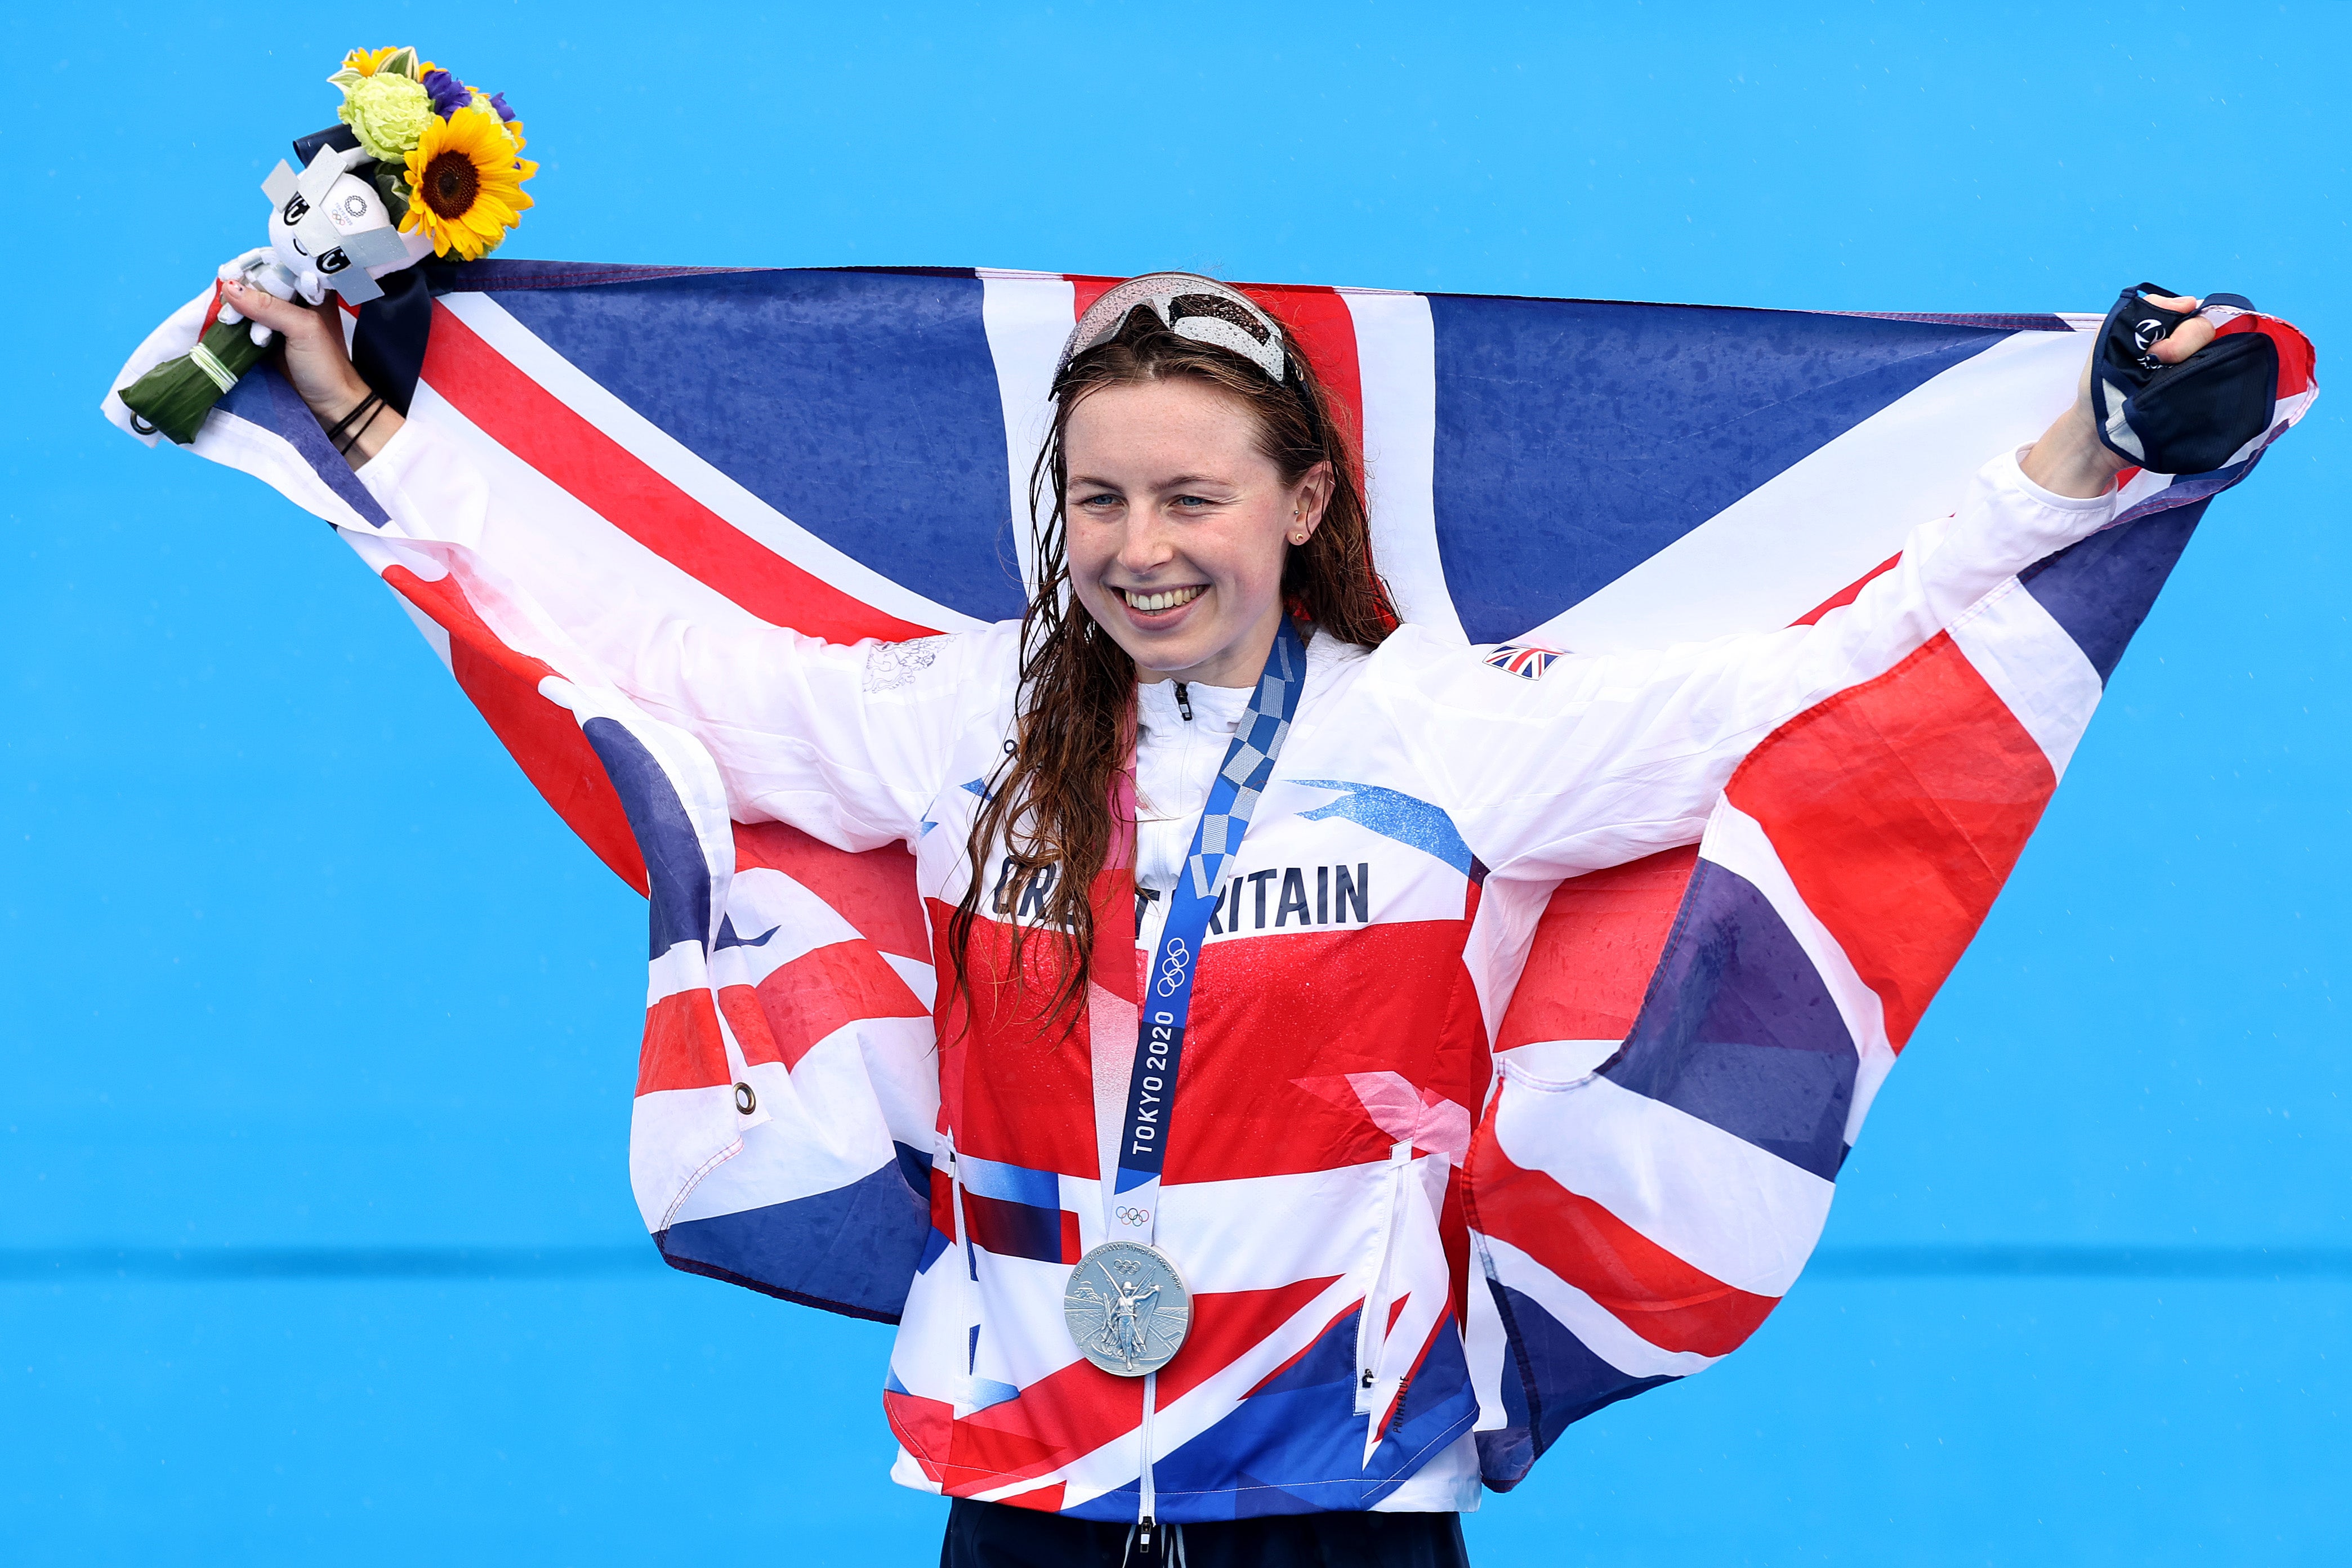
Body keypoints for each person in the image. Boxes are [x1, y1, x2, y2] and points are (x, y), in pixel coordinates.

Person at [216, 269, 2229, 1567]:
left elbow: (1820, 666)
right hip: (1021, 1477)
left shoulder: (1451, 728)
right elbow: (627, 642)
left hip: (1349, 1490)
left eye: (1190, 497)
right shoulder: (954, 719)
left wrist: (2085, 460)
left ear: (1295, 503)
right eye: (1097, 500)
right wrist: (374, 425)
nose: (1138, 546)